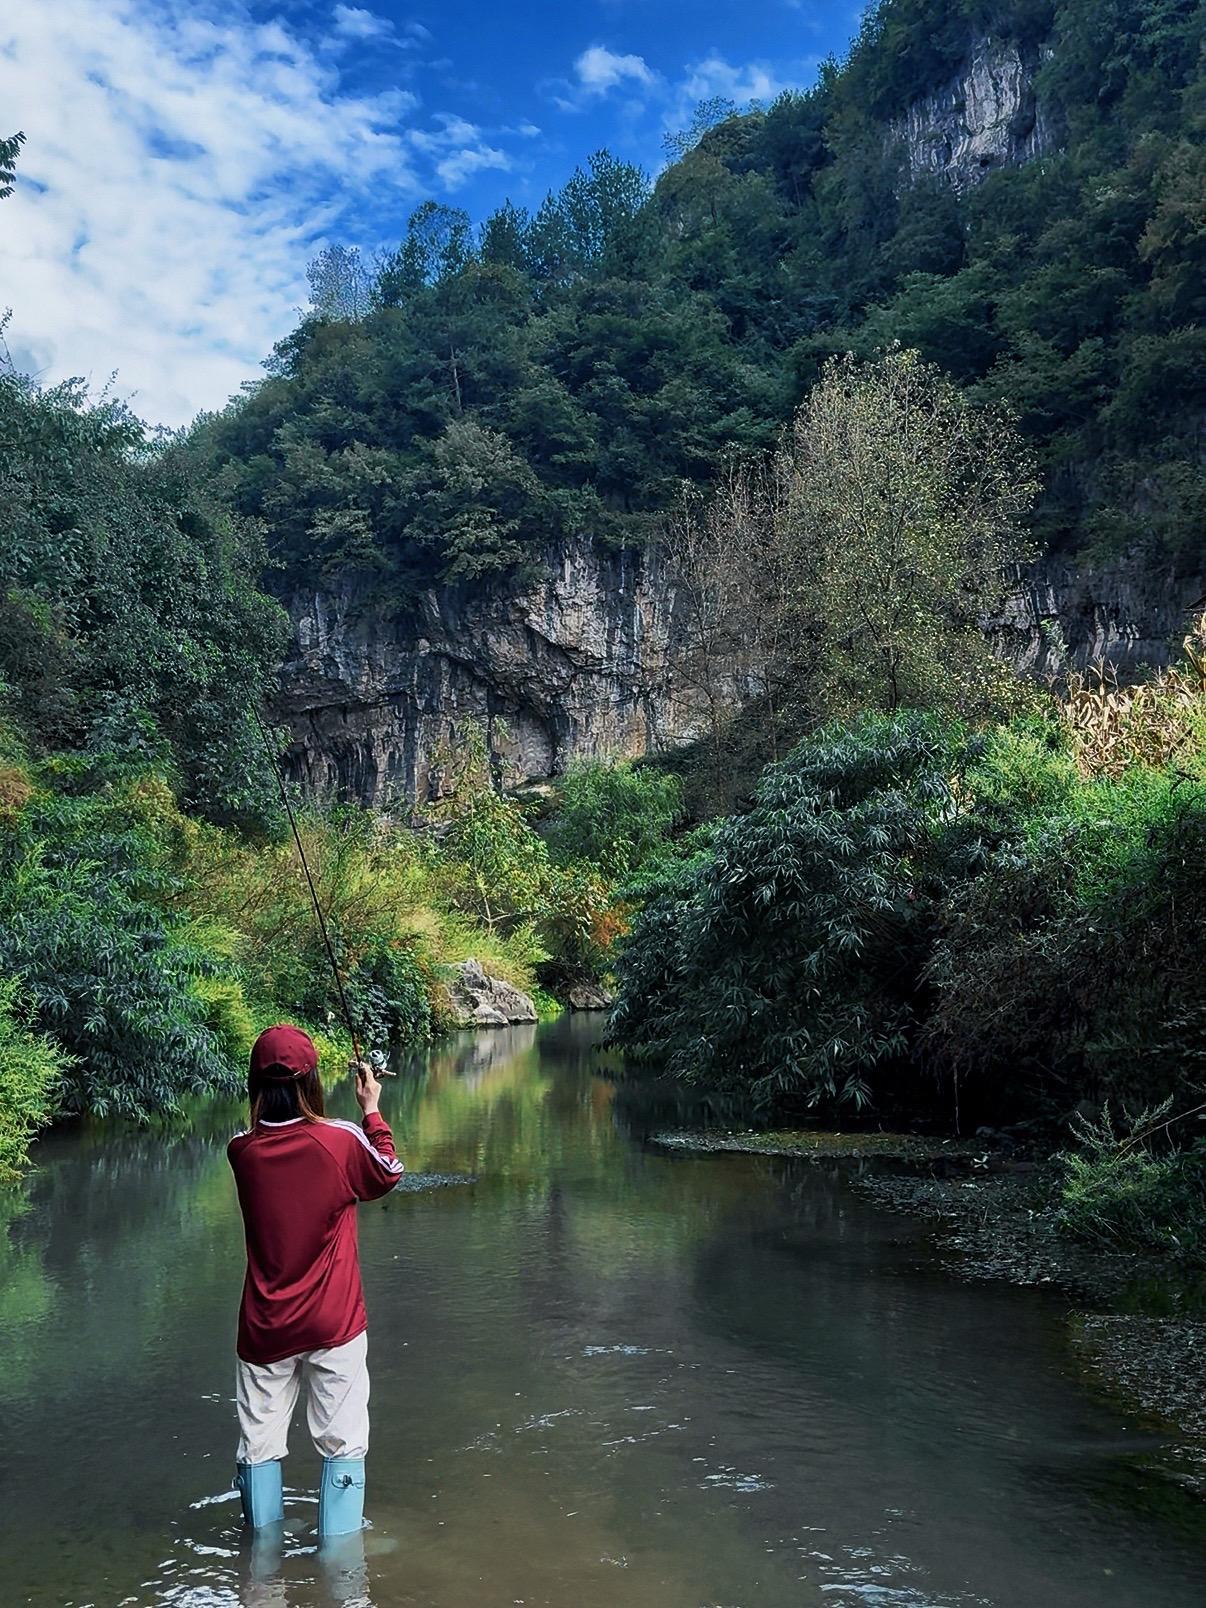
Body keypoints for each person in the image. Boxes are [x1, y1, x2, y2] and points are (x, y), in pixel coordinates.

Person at [228, 1024, 404, 1537]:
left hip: (265, 1328)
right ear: (312, 1083)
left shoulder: (241, 1151)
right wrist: (371, 1108)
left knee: (258, 1444)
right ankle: (341, 1573)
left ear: (254, 1086)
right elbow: (388, 1171)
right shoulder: (341, 1139)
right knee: (343, 1443)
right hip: (335, 1323)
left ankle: (260, 1572)